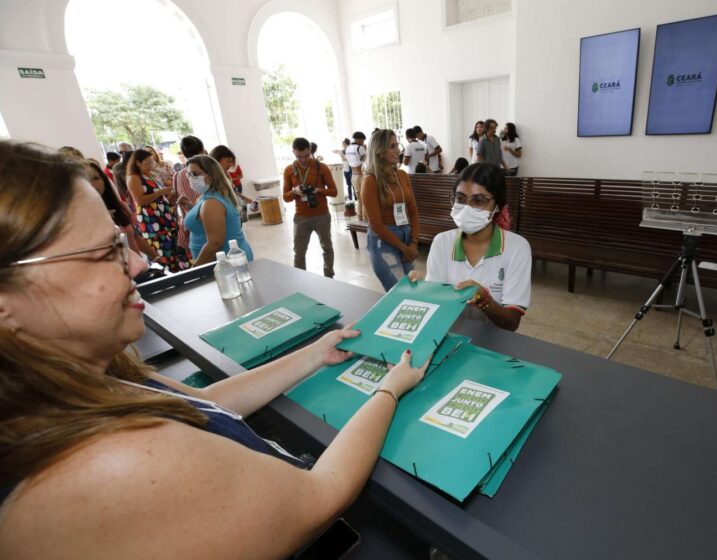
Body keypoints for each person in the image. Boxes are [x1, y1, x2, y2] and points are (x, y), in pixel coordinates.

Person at [0, 140, 429, 559]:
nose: (137, 262)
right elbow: (323, 493)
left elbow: (204, 402)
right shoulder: (106, 463)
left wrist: (315, 353)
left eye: (120, 241)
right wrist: (389, 390)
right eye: (104, 252)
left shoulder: (84, 373)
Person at [409, 163, 530, 331]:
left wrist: (485, 300)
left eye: (479, 201)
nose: (467, 208)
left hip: (494, 342)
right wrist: (421, 290)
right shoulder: (442, 242)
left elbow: (511, 323)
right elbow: (435, 308)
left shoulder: (517, 248)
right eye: (460, 199)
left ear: (497, 207)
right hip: (448, 335)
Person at [362, 129, 420, 292]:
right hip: (384, 241)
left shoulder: (402, 175)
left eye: (397, 145)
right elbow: (376, 225)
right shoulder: (370, 181)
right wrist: (404, 248)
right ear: (380, 152)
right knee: (400, 293)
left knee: (414, 290)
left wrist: (414, 243)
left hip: (406, 236)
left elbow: (414, 211)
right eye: (392, 146)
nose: (398, 150)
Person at [126, 148, 190, 272]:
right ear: (138, 163)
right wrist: (160, 192)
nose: (150, 165)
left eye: (152, 162)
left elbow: (157, 195)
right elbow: (140, 200)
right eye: (147, 163)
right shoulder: (134, 178)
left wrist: (167, 194)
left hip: (163, 214)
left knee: (173, 246)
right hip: (151, 219)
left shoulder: (149, 175)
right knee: (161, 248)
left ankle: (177, 270)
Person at [183, 155, 253, 266]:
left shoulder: (212, 202)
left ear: (212, 175)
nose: (191, 179)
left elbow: (215, 243)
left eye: (195, 174)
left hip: (227, 264)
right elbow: (206, 219)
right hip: (226, 261)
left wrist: (195, 268)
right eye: (189, 174)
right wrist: (191, 208)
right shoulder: (211, 195)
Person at [83, 159, 157, 263]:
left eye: (95, 178)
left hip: (138, 269)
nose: (91, 184)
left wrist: (157, 258)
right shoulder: (80, 219)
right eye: (85, 180)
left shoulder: (120, 206)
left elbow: (135, 237)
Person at [283, 137, 337, 278]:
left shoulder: (322, 167)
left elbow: (334, 191)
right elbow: (285, 197)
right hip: (301, 218)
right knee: (299, 252)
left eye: (306, 155)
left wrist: (319, 190)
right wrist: (294, 192)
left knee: (327, 247)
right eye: (299, 156)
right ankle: (301, 279)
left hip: (322, 216)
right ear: (293, 153)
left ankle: (329, 276)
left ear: (310, 151)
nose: (303, 160)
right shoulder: (289, 170)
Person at [174, 135, 206, 257]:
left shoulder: (178, 175)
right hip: (208, 224)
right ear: (202, 150)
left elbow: (180, 203)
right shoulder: (207, 172)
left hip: (191, 226)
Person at [209, 145, 257, 212]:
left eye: (231, 162)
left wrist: (250, 201)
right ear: (216, 160)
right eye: (228, 161)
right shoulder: (209, 179)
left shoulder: (227, 175)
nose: (231, 165)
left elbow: (233, 193)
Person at [345, 131, 367, 219]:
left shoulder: (348, 148)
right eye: (363, 140)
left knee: (359, 199)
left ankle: (359, 216)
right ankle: (365, 217)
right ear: (359, 139)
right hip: (361, 175)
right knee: (365, 198)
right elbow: (365, 159)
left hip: (353, 176)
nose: (363, 143)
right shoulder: (360, 148)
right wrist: (365, 150)